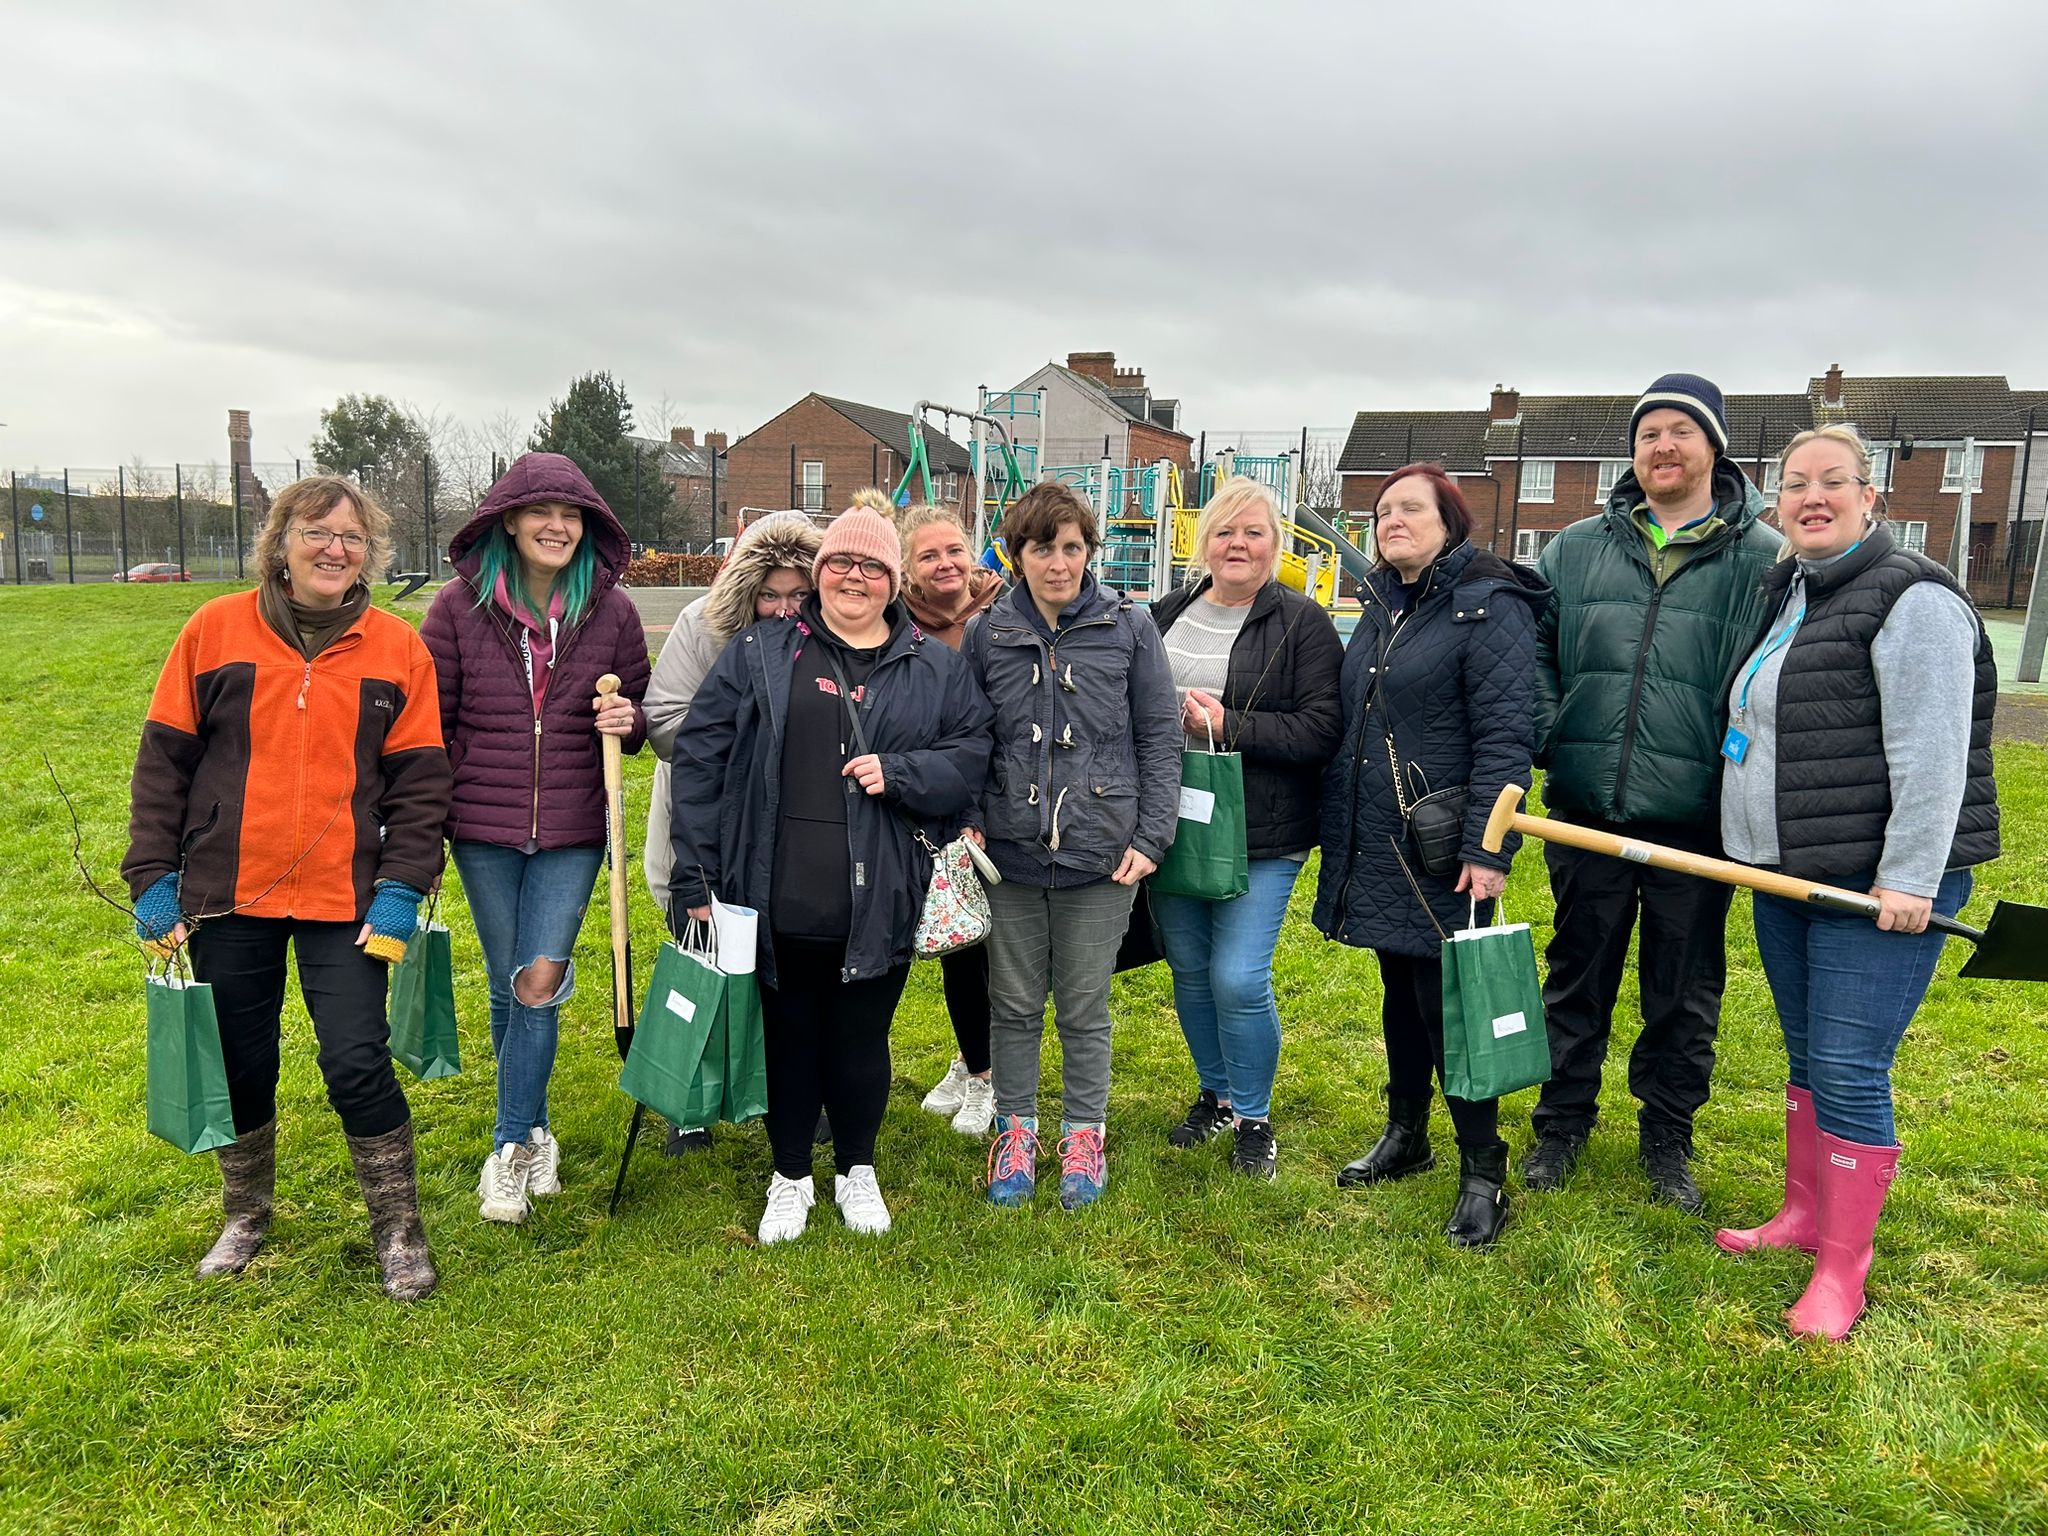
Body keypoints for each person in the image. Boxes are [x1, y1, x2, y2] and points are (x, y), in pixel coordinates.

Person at [124, 475, 449, 1301]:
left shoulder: (396, 647)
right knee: (240, 1059)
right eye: (317, 533)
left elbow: (419, 788)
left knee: (356, 1061)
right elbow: (162, 764)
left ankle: (399, 1232)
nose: (335, 549)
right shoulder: (213, 631)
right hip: (229, 893)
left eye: (352, 537)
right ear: (281, 544)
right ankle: (245, 1214)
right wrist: (154, 877)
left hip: (349, 897)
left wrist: (403, 889)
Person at [1713, 425, 1998, 1339]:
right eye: (1795, 485)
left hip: (1877, 887)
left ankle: (1844, 1268)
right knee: (1806, 1057)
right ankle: (1804, 1218)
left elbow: (1932, 753)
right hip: (1790, 875)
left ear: (1871, 497)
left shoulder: (1912, 600)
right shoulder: (1789, 587)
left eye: (1833, 482)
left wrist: (1911, 876)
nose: (1812, 498)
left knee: (1847, 1063)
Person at [668, 505, 993, 1244]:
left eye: (872, 566)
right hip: (777, 892)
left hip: (882, 894)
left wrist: (902, 771)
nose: (855, 577)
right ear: (820, 575)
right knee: (789, 1038)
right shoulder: (761, 651)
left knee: (860, 1039)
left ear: (892, 580)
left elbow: (972, 760)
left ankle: (857, 1168)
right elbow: (699, 762)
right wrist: (695, 876)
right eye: (841, 563)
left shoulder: (934, 666)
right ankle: (790, 1177)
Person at [1527, 373, 1783, 1212]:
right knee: (1576, 973)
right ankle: (1561, 1124)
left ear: (1714, 446)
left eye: (1680, 430)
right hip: (1587, 810)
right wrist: (1550, 731)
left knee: (1684, 988)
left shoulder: (1763, 559)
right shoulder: (1574, 549)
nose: (1662, 446)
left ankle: (1668, 1137)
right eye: (1648, 434)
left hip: (1698, 821)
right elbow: (1530, 659)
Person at [1312, 465, 1547, 1245]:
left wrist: (1491, 848)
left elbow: (1507, 736)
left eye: (1411, 508)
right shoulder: (1383, 604)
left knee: (1450, 1006)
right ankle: (1406, 1134)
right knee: (1399, 990)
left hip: (1447, 848)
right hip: (1382, 838)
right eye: (1381, 512)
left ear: (1451, 520)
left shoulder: (1489, 606)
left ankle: (1485, 1170)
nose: (1391, 520)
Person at [421, 453, 650, 1225]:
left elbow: (642, 710)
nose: (558, 527)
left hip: (575, 828)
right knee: (506, 981)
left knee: (538, 980)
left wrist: (631, 722)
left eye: (573, 514)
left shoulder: (612, 612)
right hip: (481, 827)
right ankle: (539, 1124)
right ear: (508, 521)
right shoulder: (456, 609)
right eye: (543, 512)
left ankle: (510, 1147)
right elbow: (431, 724)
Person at [962, 482, 1180, 1211]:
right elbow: (965, 737)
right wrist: (966, 816)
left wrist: (1152, 835)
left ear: (1090, 550)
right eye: (1041, 548)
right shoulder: (987, 633)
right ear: (1016, 553)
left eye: (1072, 547)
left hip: (1101, 854)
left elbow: (1159, 734)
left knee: (1085, 1007)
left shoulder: (1130, 628)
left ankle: (1084, 1135)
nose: (1059, 563)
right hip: (1010, 853)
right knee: (1015, 1003)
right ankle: (1015, 1133)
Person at [1148, 477, 1343, 1179]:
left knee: (1237, 976)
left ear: (1275, 546)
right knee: (1193, 973)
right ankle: (1218, 1096)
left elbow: (1323, 730)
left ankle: (1255, 1118)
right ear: (1204, 542)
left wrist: (1229, 724)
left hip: (1262, 826)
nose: (1238, 544)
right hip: (1172, 821)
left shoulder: (1302, 622)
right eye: (1225, 531)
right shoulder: (1165, 612)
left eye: (1253, 532)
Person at [643, 510, 822, 1155]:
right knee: (702, 955)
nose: (782, 608)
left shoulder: (829, 640)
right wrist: (744, 721)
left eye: (797, 594)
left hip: (791, 825)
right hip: (704, 817)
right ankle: (690, 1100)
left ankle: (796, 1089)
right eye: (768, 595)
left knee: (789, 965)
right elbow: (663, 721)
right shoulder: (701, 625)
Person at [897, 501, 1007, 1138]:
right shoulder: (898, 625)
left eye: (955, 551)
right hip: (944, 799)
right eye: (929, 555)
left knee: (1001, 948)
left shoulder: (1002, 609)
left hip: (1007, 796)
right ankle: (973, 1062)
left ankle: (987, 1072)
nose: (946, 564)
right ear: (908, 570)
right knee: (958, 941)